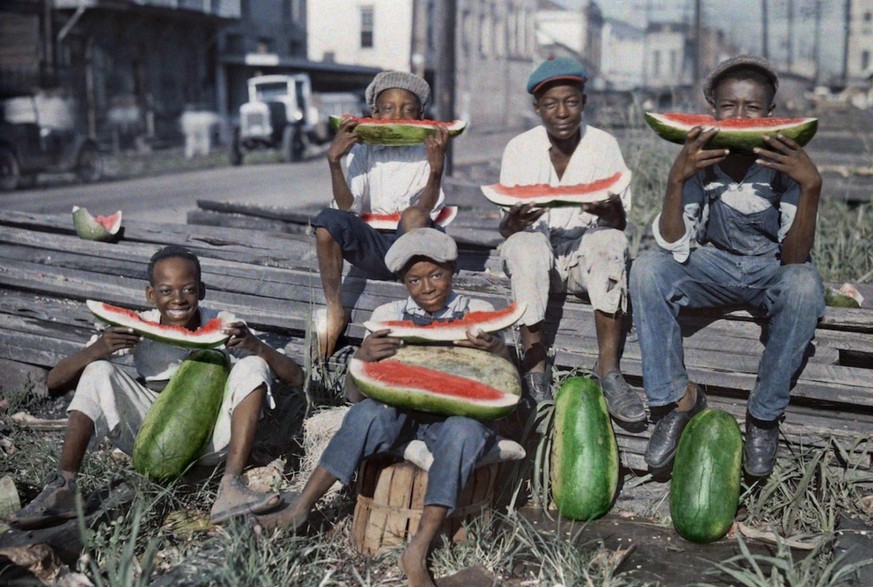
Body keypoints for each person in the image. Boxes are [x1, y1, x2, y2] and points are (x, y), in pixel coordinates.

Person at [265, 228, 515, 587]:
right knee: (367, 413)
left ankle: (418, 548)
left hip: (458, 419)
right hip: (400, 419)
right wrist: (361, 360)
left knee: (464, 431)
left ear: (453, 270)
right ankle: (300, 508)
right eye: (414, 280)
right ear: (402, 281)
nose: (427, 287)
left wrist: (497, 352)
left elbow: (502, 382)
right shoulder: (387, 314)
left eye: (436, 275)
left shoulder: (478, 312)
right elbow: (355, 395)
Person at [9, 245, 304, 528]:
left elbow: (295, 378)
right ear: (151, 295)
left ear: (200, 291)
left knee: (253, 365)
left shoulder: (223, 324)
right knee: (98, 370)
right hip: (150, 435)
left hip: (213, 439)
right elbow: (54, 381)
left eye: (188, 289)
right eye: (165, 291)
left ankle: (231, 485)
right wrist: (98, 348)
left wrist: (256, 345)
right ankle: (64, 486)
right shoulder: (140, 326)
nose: (178, 299)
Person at [630, 56, 824, 476]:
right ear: (711, 111)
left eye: (752, 109)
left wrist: (811, 187)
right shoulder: (704, 158)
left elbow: (793, 259)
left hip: (769, 267)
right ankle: (676, 400)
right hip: (712, 265)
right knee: (647, 269)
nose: (739, 117)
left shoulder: (784, 166)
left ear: (771, 115)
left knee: (805, 285)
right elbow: (674, 243)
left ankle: (764, 416)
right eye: (728, 106)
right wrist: (676, 180)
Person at [496, 57, 645, 422]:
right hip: (537, 258)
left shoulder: (604, 145)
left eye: (571, 102)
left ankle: (608, 371)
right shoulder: (518, 148)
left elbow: (619, 222)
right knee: (525, 245)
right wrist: (513, 222)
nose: (561, 112)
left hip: (584, 258)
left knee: (610, 242)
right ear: (537, 108)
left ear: (584, 102)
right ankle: (535, 373)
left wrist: (607, 210)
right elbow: (506, 230)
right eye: (550, 104)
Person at [311, 70, 450, 359]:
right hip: (375, 244)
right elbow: (348, 208)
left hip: (417, 244)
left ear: (421, 116)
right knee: (326, 223)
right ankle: (335, 309)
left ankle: (419, 310)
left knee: (413, 215)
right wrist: (334, 162)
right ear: (374, 113)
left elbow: (424, 211)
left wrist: (436, 171)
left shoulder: (427, 151)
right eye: (388, 109)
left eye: (408, 110)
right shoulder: (363, 150)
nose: (398, 115)